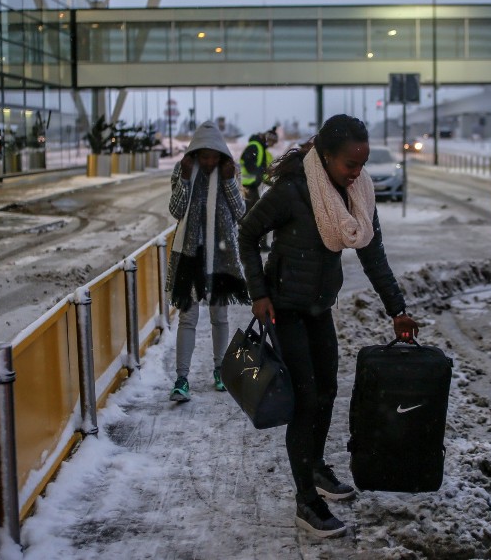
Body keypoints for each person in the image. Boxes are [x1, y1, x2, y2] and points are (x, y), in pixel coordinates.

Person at [238, 114, 419, 538]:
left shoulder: (357, 195)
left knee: (327, 392)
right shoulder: (293, 189)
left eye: (362, 164)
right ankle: (306, 501)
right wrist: (258, 293)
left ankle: (315, 467)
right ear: (325, 156)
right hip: (284, 307)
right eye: (350, 165)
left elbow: (374, 257)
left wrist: (398, 310)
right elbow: (246, 233)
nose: (357, 173)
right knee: (304, 400)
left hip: (319, 306)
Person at [166, 120, 249, 402]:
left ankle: (220, 370)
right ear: (196, 153)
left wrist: (227, 180)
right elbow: (176, 210)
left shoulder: (230, 171)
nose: (210, 161)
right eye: (205, 156)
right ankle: (181, 379)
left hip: (221, 256)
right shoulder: (183, 170)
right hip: (190, 255)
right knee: (187, 317)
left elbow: (240, 211)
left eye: (214, 156)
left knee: (219, 316)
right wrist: (187, 178)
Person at [239, 126, 278, 212]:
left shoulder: (260, 147)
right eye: (272, 142)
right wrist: (262, 171)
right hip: (247, 186)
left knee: (254, 209)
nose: (272, 145)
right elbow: (248, 163)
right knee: (251, 211)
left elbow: (259, 167)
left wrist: (271, 181)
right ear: (268, 139)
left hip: (252, 185)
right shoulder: (255, 146)